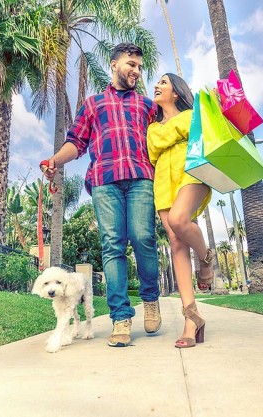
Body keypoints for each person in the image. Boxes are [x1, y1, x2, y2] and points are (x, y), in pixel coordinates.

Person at [40, 43, 161, 348]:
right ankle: (121, 316)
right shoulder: (93, 105)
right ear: (115, 64)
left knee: (144, 237)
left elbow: (165, 137)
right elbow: (76, 142)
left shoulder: (148, 106)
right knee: (112, 245)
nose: (135, 71)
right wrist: (55, 161)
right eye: (131, 64)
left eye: (139, 67)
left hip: (141, 178)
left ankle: (150, 299)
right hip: (105, 181)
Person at [147, 73, 214, 348]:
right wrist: (176, 132)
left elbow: (200, 135)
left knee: (179, 220)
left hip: (192, 170)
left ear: (176, 91)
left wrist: (172, 133)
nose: (157, 86)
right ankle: (192, 318)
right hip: (163, 178)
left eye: (163, 82)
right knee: (175, 244)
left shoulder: (192, 113)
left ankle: (207, 258)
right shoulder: (152, 127)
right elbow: (154, 148)